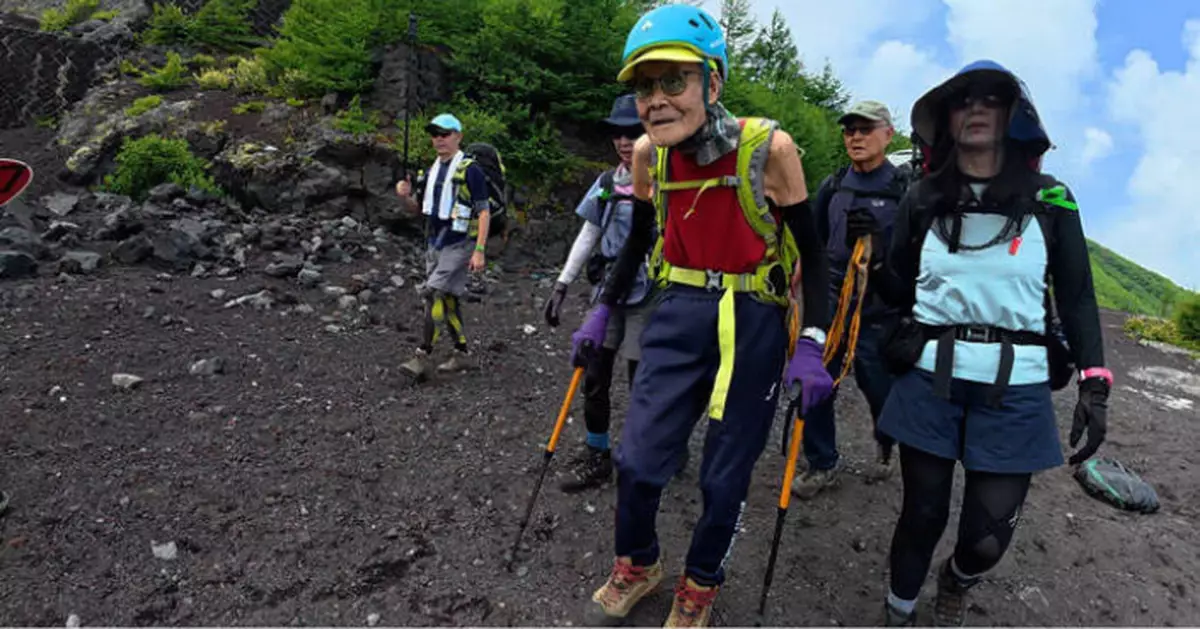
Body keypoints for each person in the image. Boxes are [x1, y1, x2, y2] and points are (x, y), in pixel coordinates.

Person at [571, 4, 833, 625]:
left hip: (753, 318)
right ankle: (638, 562)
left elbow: (816, 256)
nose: (655, 100)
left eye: (673, 81)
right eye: (643, 85)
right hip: (678, 308)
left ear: (713, 82)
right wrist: (601, 310)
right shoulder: (647, 157)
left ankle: (702, 583)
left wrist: (813, 342)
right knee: (636, 460)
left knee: (724, 473)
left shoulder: (770, 149)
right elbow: (637, 244)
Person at [870, 60, 1111, 626]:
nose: (976, 109)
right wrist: (874, 257)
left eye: (990, 99)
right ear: (947, 118)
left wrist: (1094, 383)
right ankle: (897, 611)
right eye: (963, 100)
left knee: (987, 536)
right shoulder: (924, 197)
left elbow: (1076, 294)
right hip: (930, 376)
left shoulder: (1053, 199)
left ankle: (958, 578)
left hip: (1018, 385)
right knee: (922, 514)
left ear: (1011, 114)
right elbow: (896, 288)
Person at [791, 100, 910, 500]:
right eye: (849, 130)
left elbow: (914, 256)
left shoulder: (904, 190)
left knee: (880, 389)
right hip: (830, 304)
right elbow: (815, 240)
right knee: (817, 381)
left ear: (888, 134)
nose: (856, 137)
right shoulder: (834, 184)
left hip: (879, 309)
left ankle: (886, 441)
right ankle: (822, 462)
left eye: (865, 129)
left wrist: (879, 243)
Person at [543, 93, 657, 493]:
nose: (625, 142)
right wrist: (563, 283)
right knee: (594, 375)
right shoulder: (607, 183)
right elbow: (588, 234)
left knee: (641, 381)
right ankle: (598, 455)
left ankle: (652, 453)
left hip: (649, 293)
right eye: (618, 134)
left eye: (633, 132)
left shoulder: (664, 181)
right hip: (607, 290)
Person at [394, 113, 491, 379]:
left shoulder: (471, 170)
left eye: (445, 133)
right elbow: (418, 210)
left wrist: (479, 250)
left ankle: (421, 356)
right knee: (447, 298)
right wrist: (404, 198)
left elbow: (484, 211)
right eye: (435, 134)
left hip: (460, 243)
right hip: (434, 243)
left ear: (458, 136)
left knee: (432, 294)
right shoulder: (430, 172)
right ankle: (462, 354)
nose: (439, 139)